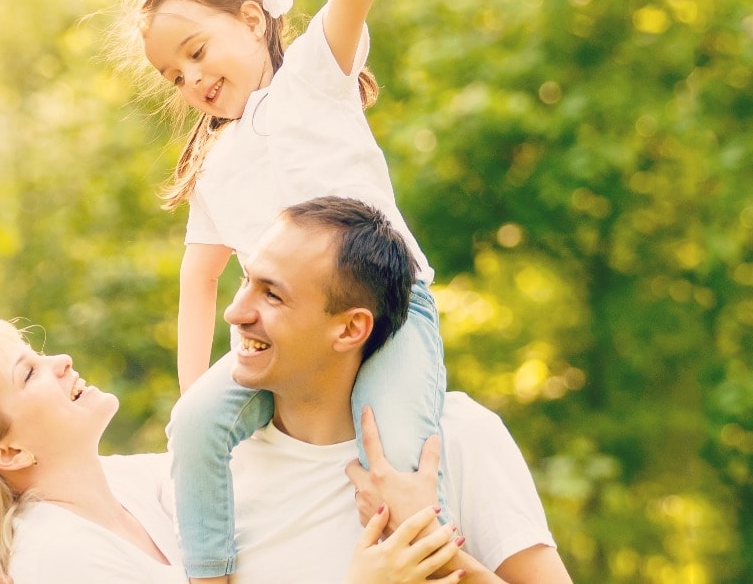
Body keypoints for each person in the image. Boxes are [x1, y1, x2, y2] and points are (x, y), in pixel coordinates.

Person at [115, 0, 511, 578]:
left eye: (199, 51)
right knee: (198, 426)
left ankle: (428, 562)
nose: (193, 78)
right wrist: (191, 387)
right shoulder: (216, 164)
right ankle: (209, 571)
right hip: (283, 335)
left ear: (251, 18)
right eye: (175, 75)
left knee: (395, 465)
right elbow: (199, 277)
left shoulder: (313, 79)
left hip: (389, 310)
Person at [0, 316, 463, 584]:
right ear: (7, 452)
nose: (58, 360)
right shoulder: (56, 561)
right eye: (28, 372)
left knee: (462, 424)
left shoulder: (135, 483)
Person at [219, 196, 572, 582]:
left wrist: (430, 543)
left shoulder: (457, 437)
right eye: (245, 280)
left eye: (272, 294)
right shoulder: (218, 470)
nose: (235, 312)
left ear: (351, 328)